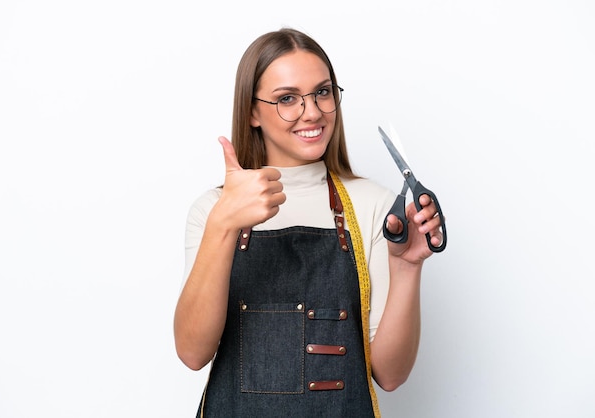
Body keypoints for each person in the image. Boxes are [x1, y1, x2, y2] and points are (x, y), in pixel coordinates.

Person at [173, 27, 444, 417]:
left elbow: (390, 374)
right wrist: (223, 226)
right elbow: (192, 352)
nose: (313, 112)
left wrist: (406, 266)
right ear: (252, 111)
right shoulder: (213, 209)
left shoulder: (373, 206)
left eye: (323, 92)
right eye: (287, 99)